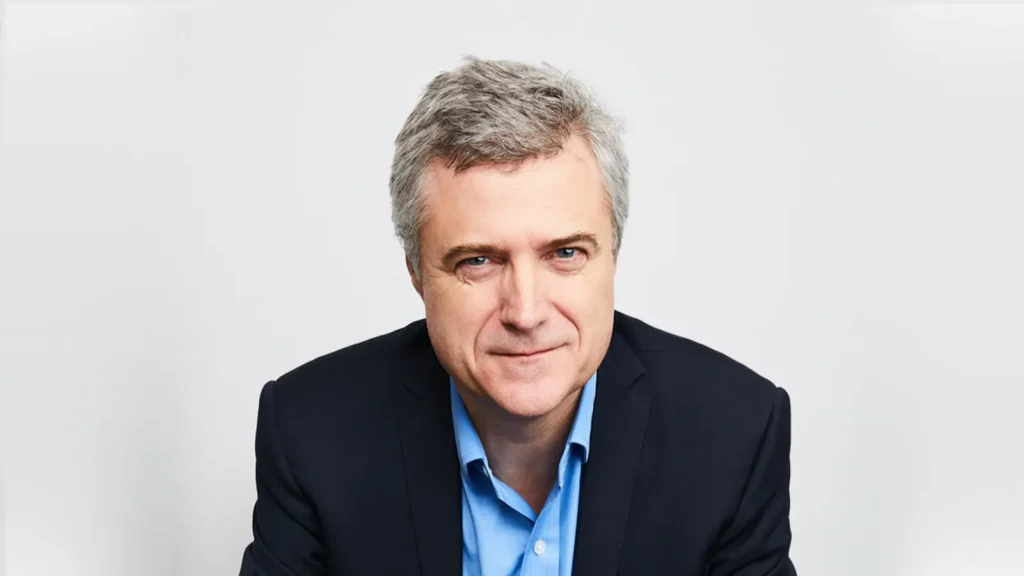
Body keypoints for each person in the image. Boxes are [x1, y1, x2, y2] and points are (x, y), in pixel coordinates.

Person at [239, 56, 796, 576]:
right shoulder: (311, 434)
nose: (525, 313)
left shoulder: (735, 435)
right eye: (478, 261)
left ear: (614, 255)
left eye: (565, 254)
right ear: (416, 272)